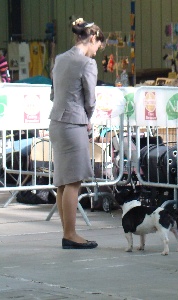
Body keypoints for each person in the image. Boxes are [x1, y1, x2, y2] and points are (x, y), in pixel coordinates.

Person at [49, 17, 104, 250]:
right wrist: (88, 119)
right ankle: (70, 234)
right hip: (74, 124)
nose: (96, 52)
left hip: (56, 123)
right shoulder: (86, 64)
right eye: (97, 46)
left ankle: (67, 232)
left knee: (62, 182)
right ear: (92, 38)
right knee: (73, 182)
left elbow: (53, 93)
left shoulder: (60, 59)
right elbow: (90, 99)